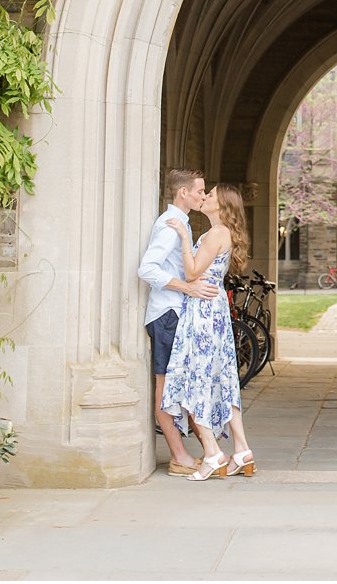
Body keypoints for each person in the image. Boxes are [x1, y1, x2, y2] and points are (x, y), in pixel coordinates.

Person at [162, 183, 258, 481]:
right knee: (222, 377)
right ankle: (241, 450)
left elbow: (192, 273)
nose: (205, 197)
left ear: (222, 205)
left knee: (195, 377)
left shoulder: (216, 233)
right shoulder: (222, 233)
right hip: (213, 309)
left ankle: (214, 453)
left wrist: (181, 236)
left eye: (211, 195)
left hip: (202, 311)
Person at [137, 168, 221, 477]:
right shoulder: (170, 226)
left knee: (179, 386)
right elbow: (147, 269)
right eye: (200, 191)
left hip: (176, 314)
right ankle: (179, 457)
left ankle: (203, 451)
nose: (203, 195)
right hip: (166, 316)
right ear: (182, 193)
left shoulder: (181, 225)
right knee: (165, 388)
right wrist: (186, 287)